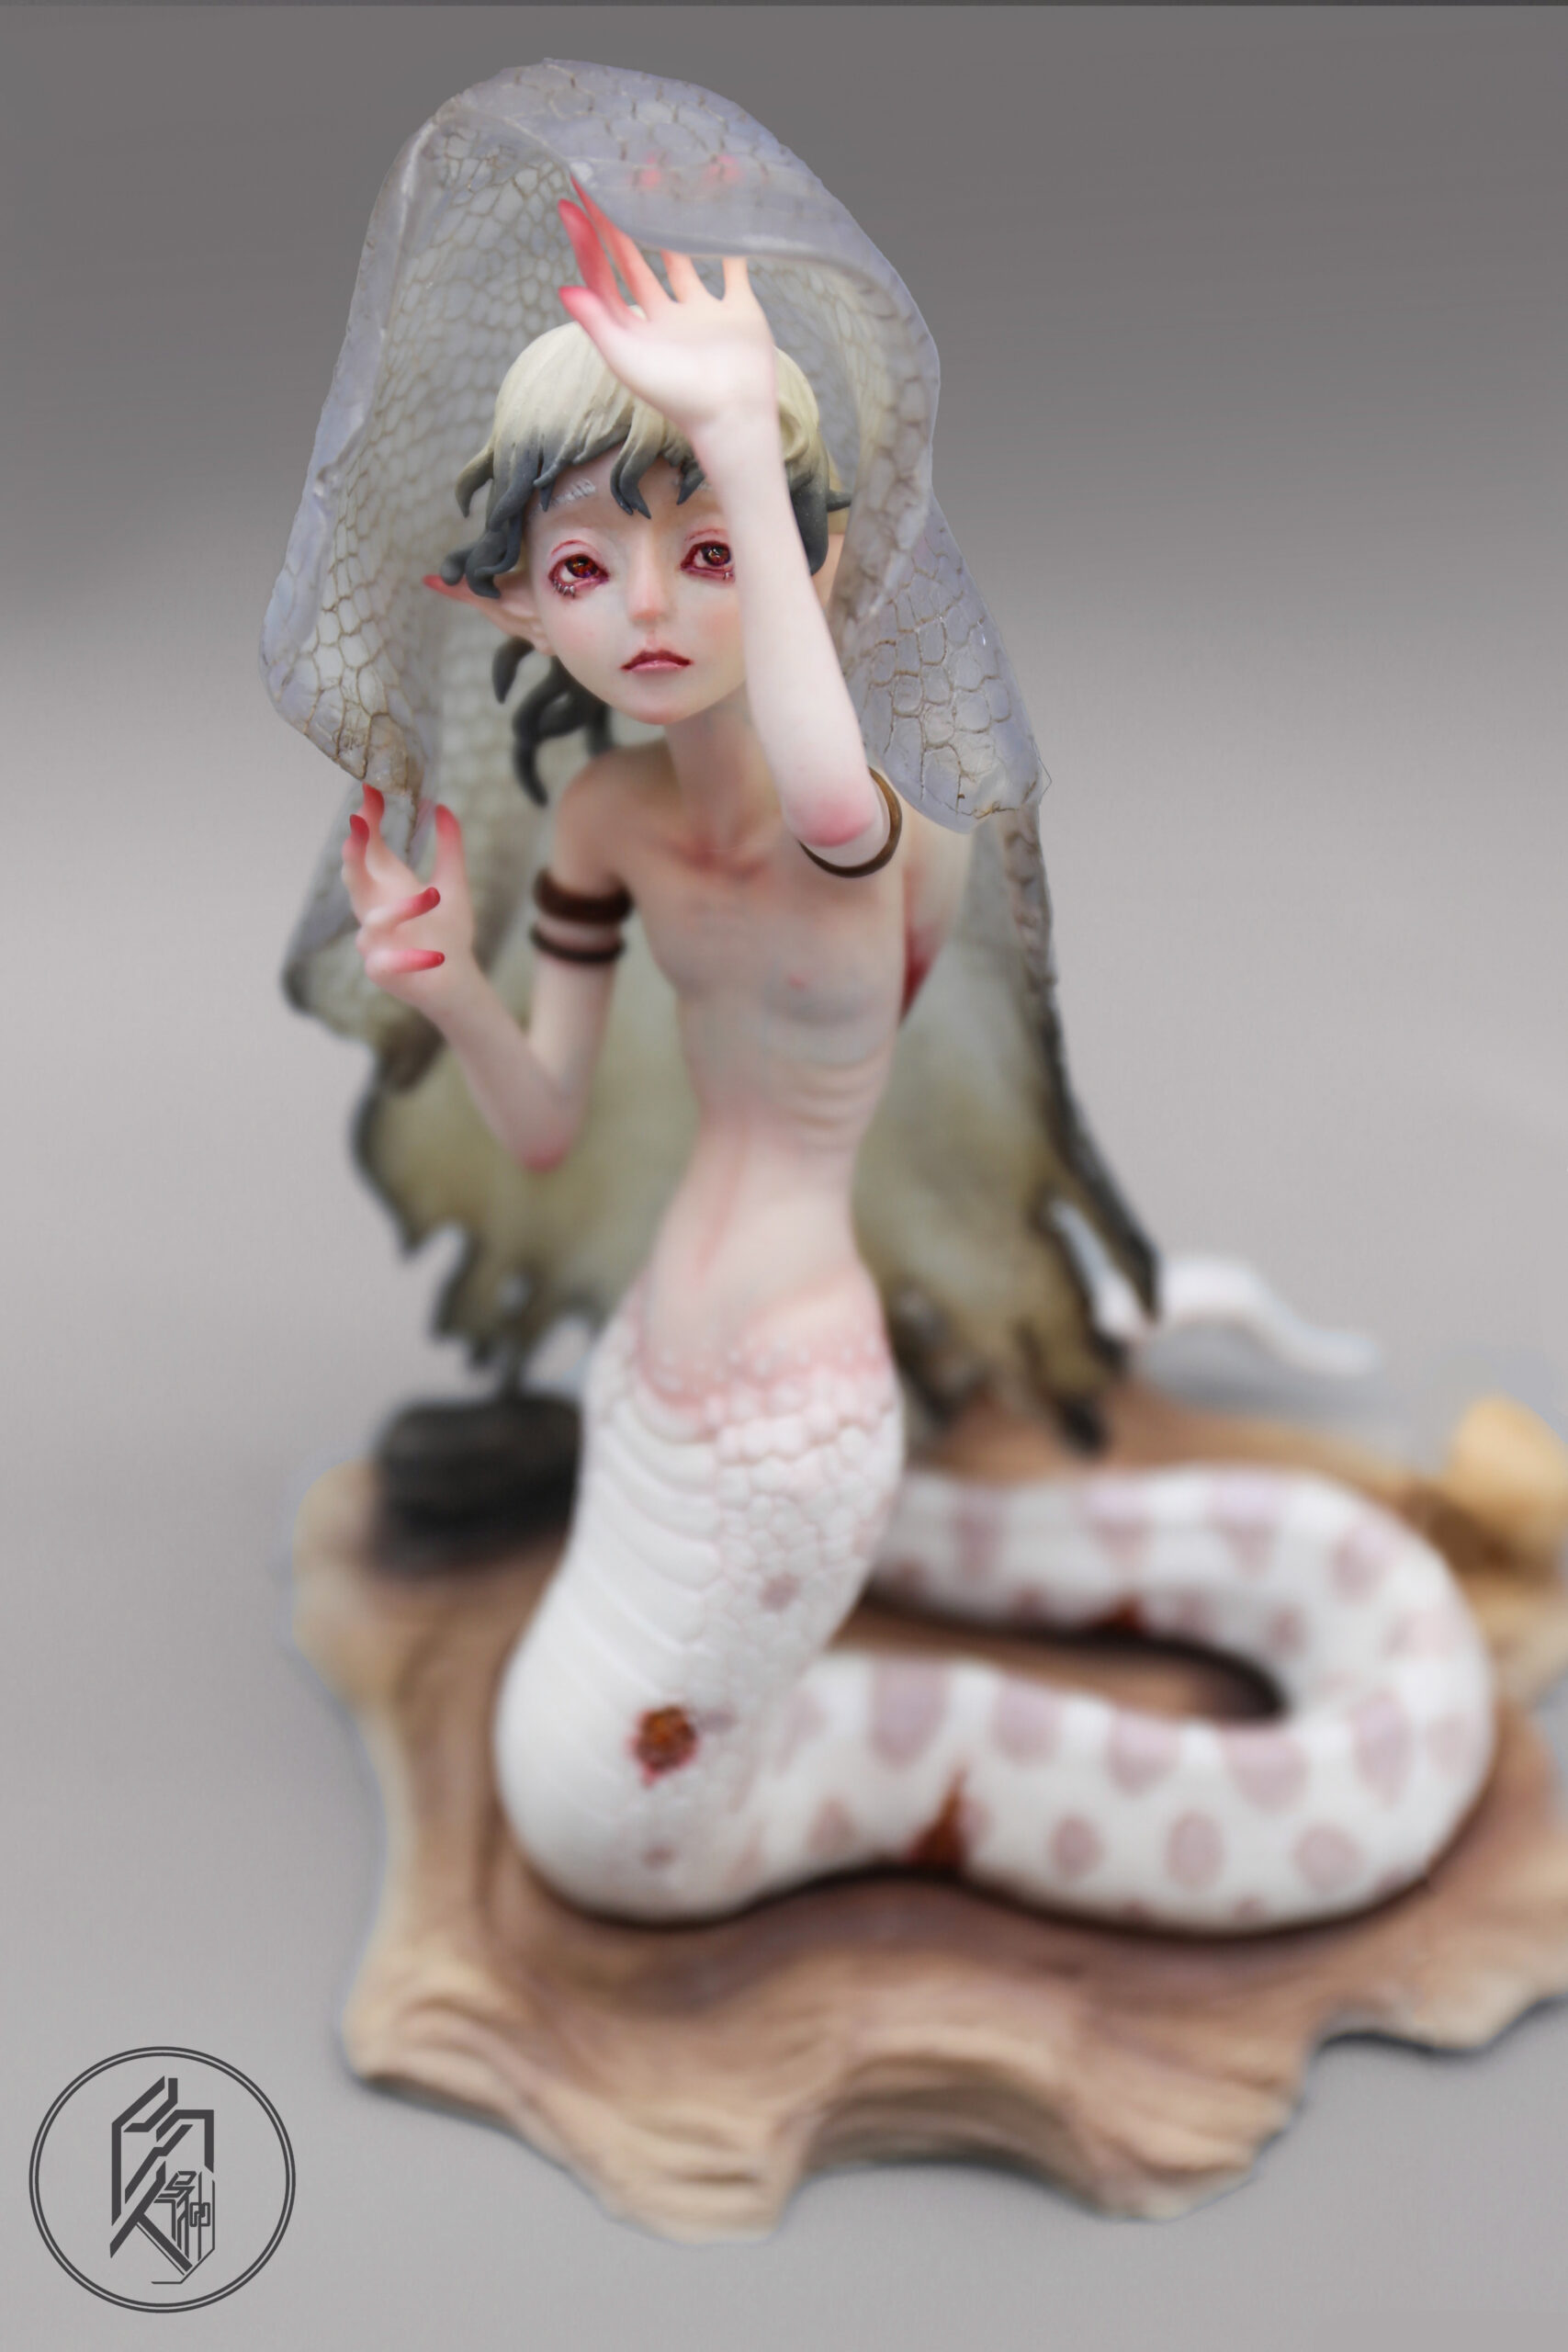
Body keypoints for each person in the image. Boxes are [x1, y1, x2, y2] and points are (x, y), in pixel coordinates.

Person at [340, 188, 1494, 1930]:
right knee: (571, 1789)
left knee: (610, 1833)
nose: (647, 608)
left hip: (795, 1415)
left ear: (806, 565)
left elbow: (818, 786)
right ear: (511, 607)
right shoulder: (602, 824)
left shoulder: (879, 822)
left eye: (710, 550)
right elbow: (549, 1124)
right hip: (653, 1373)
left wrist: (746, 432)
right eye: (581, 568)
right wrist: (450, 995)